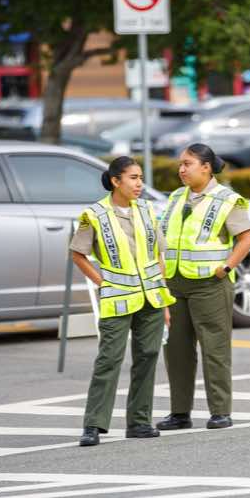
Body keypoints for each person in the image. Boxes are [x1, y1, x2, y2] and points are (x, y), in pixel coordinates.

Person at [70, 156, 175, 446]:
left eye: (140, 177)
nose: (139, 184)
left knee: (147, 357)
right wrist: (102, 282)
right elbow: (78, 254)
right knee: (109, 360)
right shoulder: (94, 215)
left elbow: (158, 256)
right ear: (116, 181)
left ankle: (139, 422)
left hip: (151, 298)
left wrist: (164, 301)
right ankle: (93, 425)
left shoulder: (148, 210)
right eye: (133, 178)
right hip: (117, 298)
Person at [156, 144, 250, 431]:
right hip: (175, 282)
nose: (181, 169)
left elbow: (246, 239)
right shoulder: (176, 197)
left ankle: (220, 411)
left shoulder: (228, 199)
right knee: (176, 350)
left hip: (210, 284)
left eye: (187, 164)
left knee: (215, 348)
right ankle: (179, 412)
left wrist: (226, 268)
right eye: (180, 164)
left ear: (206, 167)